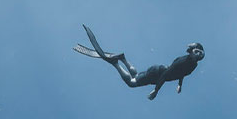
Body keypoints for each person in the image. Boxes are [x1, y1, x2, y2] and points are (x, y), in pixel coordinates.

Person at [73, 25, 204, 100]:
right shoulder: (184, 61)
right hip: (158, 74)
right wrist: (156, 91)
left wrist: (180, 84)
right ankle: (116, 62)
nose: (199, 54)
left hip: (156, 71)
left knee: (135, 77)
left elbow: (182, 73)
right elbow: (167, 74)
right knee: (132, 83)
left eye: (201, 54)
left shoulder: (192, 65)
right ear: (192, 51)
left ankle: (123, 58)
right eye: (197, 51)